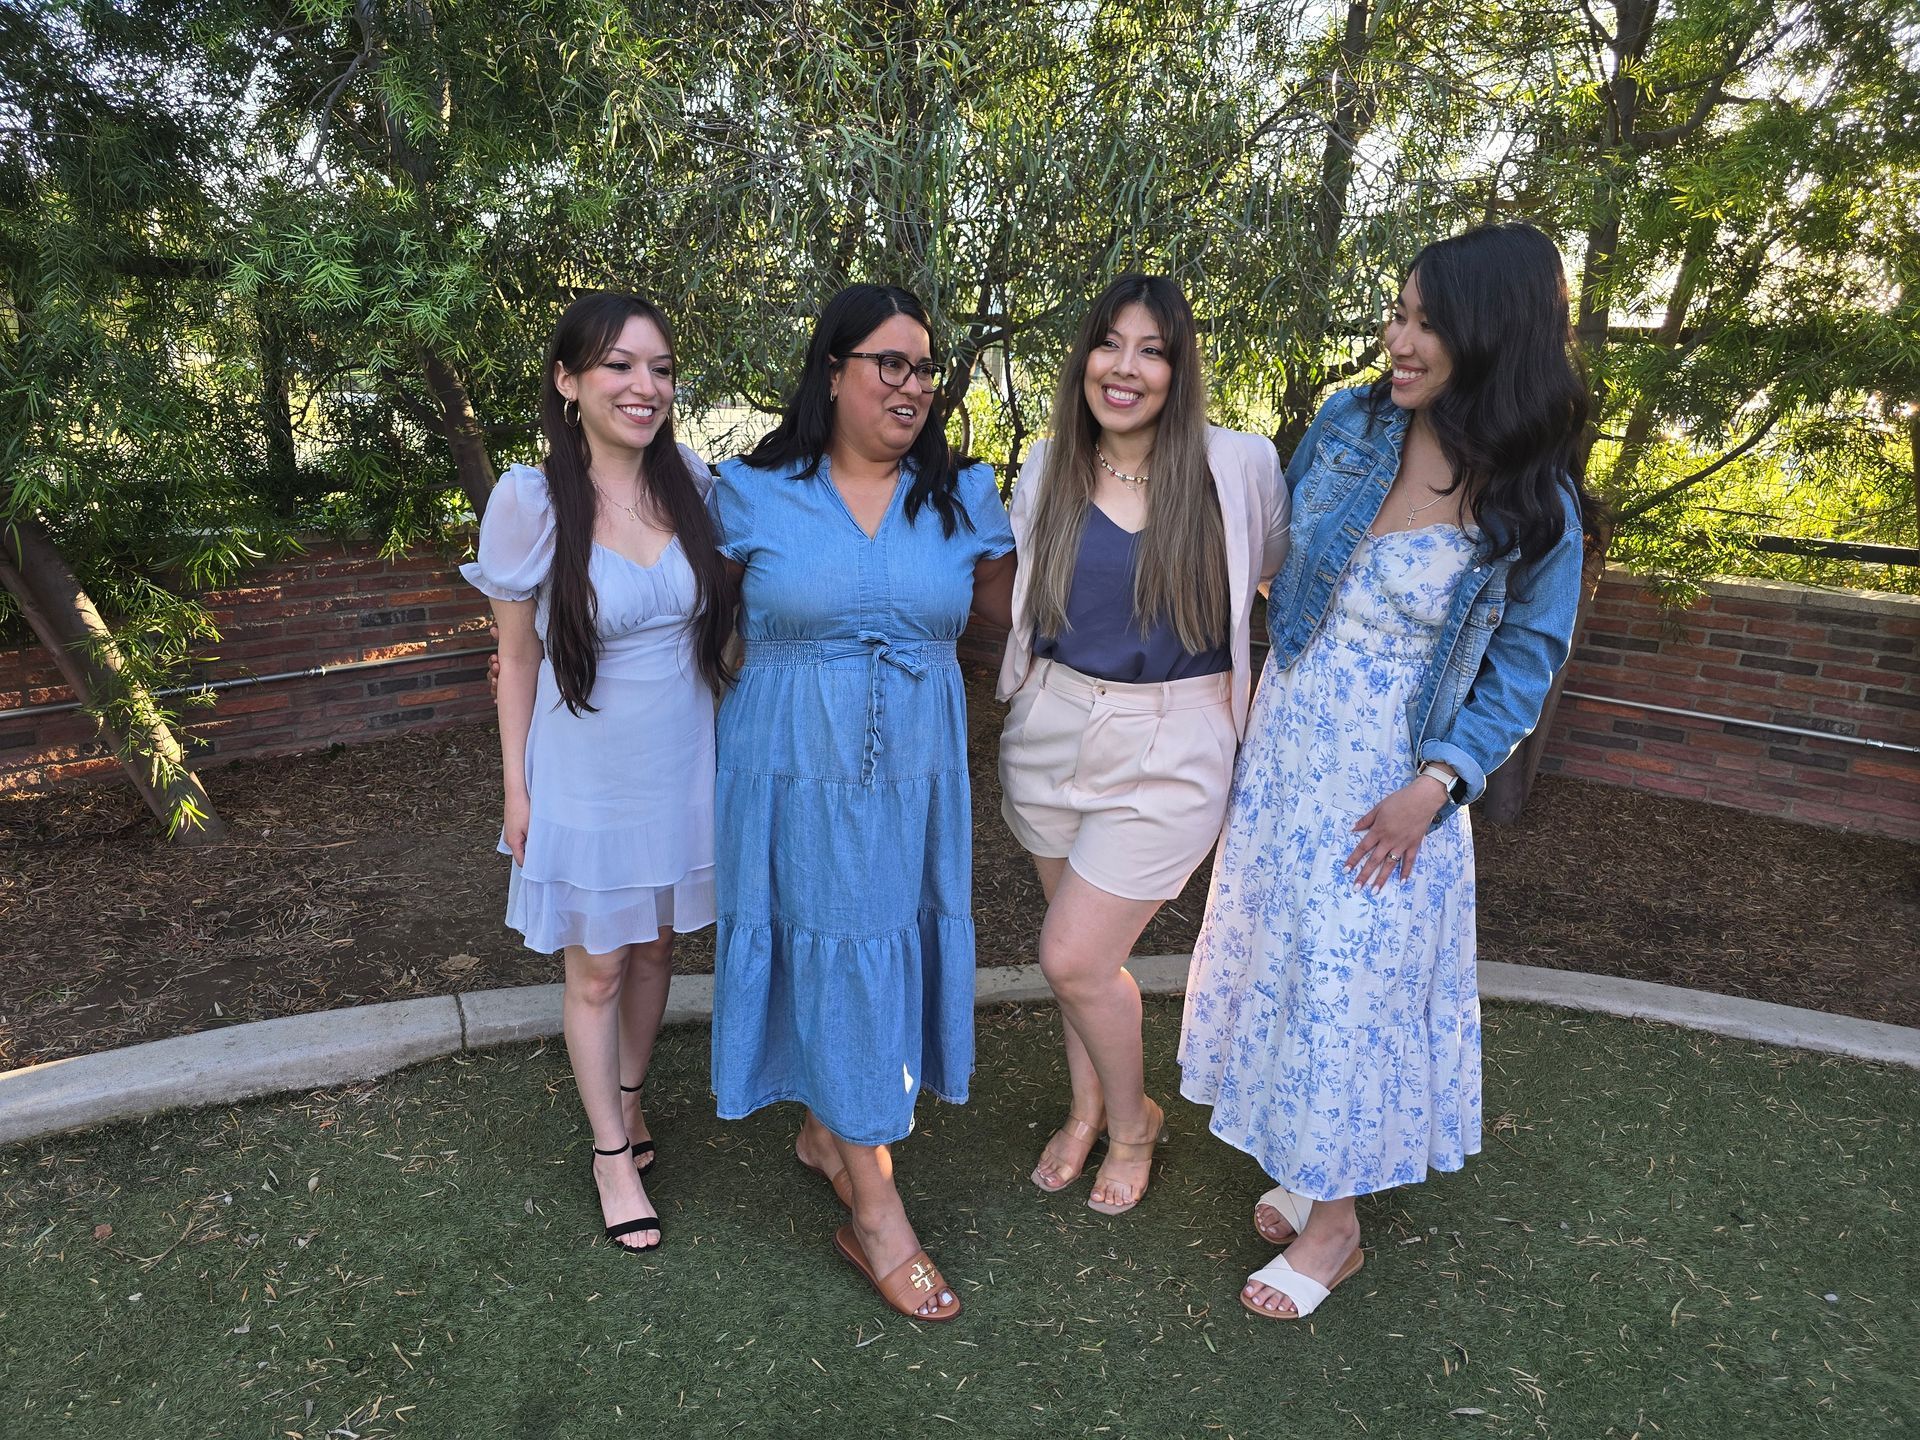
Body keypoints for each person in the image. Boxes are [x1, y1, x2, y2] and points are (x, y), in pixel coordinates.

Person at [1178, 223, 1596, 1319]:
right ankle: (1308, 1162)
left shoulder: (1533, 499)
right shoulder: (1353, 422)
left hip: (1393, 784)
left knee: (1352, 987)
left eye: (1425, 322)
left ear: (1490, 334)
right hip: (1289, 751)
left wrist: (1438, 785)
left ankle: (1336, 1231)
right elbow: (1275, 555)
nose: (1396, 340)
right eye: (1397, 314)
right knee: (1290, 962)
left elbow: (1527, 662)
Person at [707, 284, 1015, 1321]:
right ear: (832, 372)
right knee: (835, 946)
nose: (912, 385)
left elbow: (1041, 610)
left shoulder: (962, 494)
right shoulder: (752, 492)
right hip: (790, 767)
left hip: (916, 775)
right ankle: (877, 1215)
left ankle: (823, 1132)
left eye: (925, 368)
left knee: (877, 943)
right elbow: (678, 614)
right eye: (890, 363)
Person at [995, 274, 1289, 1216]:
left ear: (1180, 367)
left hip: (1175, 738)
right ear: (1084, 356)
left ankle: (1134, 1124)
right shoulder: (1047, 466)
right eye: (1109, 343)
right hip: (1051, 724)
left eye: (1151, 350)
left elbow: (1272, 570)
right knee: (1074, 953)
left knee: (1075, 958)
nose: (1125, 368)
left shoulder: (1237, 466)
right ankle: (1086, 1110)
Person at [462, 291, 733, 1254]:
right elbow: (517, 657)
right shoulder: (529, 502)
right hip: (584, 770)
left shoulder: (690, 482)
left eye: (660, 368)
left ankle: (629, 1093)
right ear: (568, 381)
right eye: (619, 365)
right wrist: (516, 787)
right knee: (599, 968)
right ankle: (610, 1154)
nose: (643, 385)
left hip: (683, 763)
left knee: (657, 951)